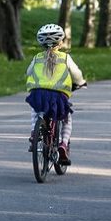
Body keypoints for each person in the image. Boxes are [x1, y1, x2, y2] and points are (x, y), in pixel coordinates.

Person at [25, 24, 86, 165]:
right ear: (61, 42)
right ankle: (63, 144)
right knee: (66, 119)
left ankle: (35, 133)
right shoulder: (65, 58)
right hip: (58, 95)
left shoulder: (37, 58)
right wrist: (81, 82)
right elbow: (76, 74)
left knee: (36, 111)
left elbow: (28, 72)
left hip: (38, 93)